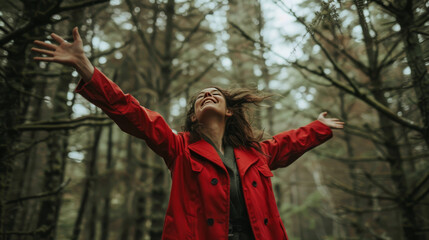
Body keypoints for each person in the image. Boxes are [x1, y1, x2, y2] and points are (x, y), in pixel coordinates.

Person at [32, 27, 344, 240]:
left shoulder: (257, 153)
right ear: (194, 115)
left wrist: (319, 127)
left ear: (229, 111)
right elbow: (130, 112)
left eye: (215, 93)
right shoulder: (179, 148)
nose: (208, 94)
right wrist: (85, 66)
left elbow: (290, 142)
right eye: (201, 96)